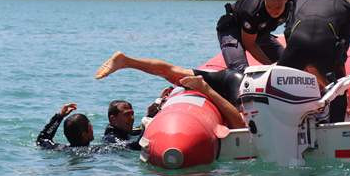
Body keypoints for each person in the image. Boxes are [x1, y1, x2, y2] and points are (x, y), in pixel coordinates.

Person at [95, 52, 247, 129]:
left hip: (229, 79)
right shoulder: (240, 85)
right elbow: (239, 125)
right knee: (241, 124)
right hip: (234, 82)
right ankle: (124, 61)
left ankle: (127, 61)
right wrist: (205, 90)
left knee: (172, 72)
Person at [278, 0, 350, 122]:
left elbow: (288, 31)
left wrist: (294, 57)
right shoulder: (346, 6)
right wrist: (337, 68)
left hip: (296, 44)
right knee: (338, 90)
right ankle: (336, 126)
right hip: (323, 46)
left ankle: (282, 121)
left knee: (281, 85)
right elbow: (344, 42)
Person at [217, 0, 293, 73]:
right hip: (232, 29)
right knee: (240, 71)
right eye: (269, 7)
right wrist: (270, 67)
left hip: (259, 32)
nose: (273, 11)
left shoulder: (292, 5)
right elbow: (249, 44)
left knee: (288, 65)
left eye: (278, 7)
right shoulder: (253, 11)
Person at [36, 101, 145, 152]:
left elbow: (42, 139)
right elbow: (134, 146)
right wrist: (147, 125)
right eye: (90, 126)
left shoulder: (60, 148)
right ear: (85, 134)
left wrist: (59, 117)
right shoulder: (97, 150)